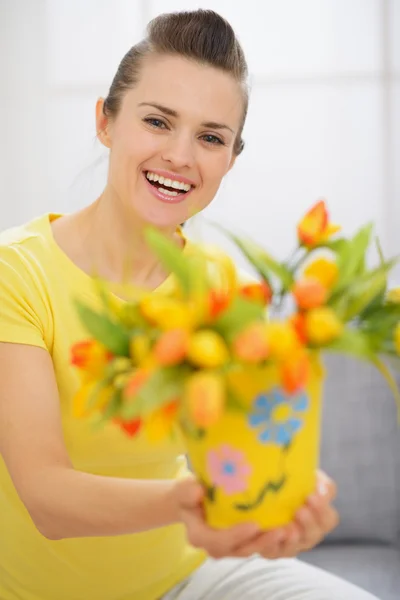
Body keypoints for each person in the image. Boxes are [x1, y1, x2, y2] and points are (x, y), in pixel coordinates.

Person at [0, 9, 378, 600]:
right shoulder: (17, 273)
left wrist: (278, 501)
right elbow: (47, 496)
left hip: (190, 576)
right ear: (106, 121)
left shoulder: (220, 285)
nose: (181, 156)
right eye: (157, 121)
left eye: (210, 137)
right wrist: (188, 502)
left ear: (230, 158)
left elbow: (235, 449)